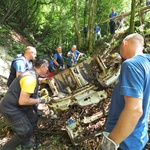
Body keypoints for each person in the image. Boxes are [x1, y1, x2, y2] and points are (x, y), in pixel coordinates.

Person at [100, 33, 150, 150]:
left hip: (124, 142)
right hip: (139, 137)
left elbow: (134, 110)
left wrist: (110, 144)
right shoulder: (146, 62)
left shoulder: (131, 65)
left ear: (124, 43)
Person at [0, 58, 49, 150]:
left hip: (18, 106)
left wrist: (43, 81)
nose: (47, 70)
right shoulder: (30, 79)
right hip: (10, 108)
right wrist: (40, 100)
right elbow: (23, 101)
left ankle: (26, 143)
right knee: (25, 131)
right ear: (42, 67)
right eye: (47, 68)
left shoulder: (32, 74)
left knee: (33, 120)